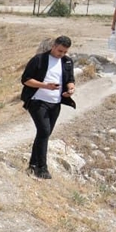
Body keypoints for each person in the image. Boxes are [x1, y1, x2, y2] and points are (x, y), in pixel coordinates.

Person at [19, 36, 75, 180]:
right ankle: (42, 168)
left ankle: (32, 163)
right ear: (54, 46)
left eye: (64, 52)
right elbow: (25, 80)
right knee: (44, 131)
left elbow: (70, 80)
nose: (61, 54)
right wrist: (45, 85)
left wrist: (70, 89)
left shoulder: (67, 62)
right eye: (59, 50)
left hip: (55, 103)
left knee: (45, 134)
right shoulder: (39, 59)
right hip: (37, 101)